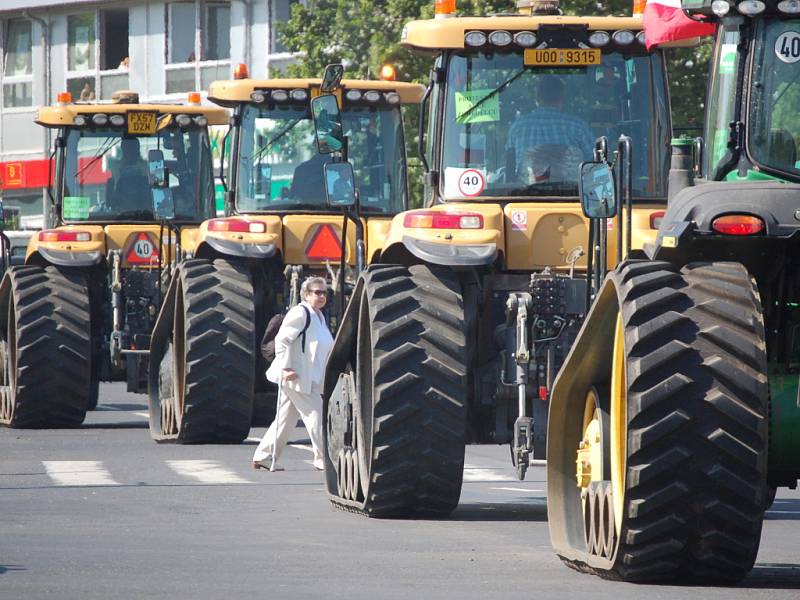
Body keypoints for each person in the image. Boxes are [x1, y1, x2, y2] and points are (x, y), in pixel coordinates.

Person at [252, 276, 334, 471]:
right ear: (306, 294)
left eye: (324, 292)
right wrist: (284, 368)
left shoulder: (320, 316)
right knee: (317, 415)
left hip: (308, 377)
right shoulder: (301, 312)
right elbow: (282, 340)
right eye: (317, 292)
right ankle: (324, 459)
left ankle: (264, 456)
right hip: (297, 377)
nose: (322, 296)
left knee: (285, 419)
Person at [506, 78, 596, 182]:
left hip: (524, 195)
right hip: (571, 195)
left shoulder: (518, 126)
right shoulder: (578, 126)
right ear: (562, 98)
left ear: (537, 98)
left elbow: (510, 165)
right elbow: (593, 164)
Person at [109, 138, 149, 213]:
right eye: (127, 149)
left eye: (132, 148)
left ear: (137, 149)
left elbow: (150, 191)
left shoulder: (146, 167)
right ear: (123, 149)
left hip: (146, 213)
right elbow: (113, 192)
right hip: (119, 214)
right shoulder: (116, 167)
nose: (130, 152)